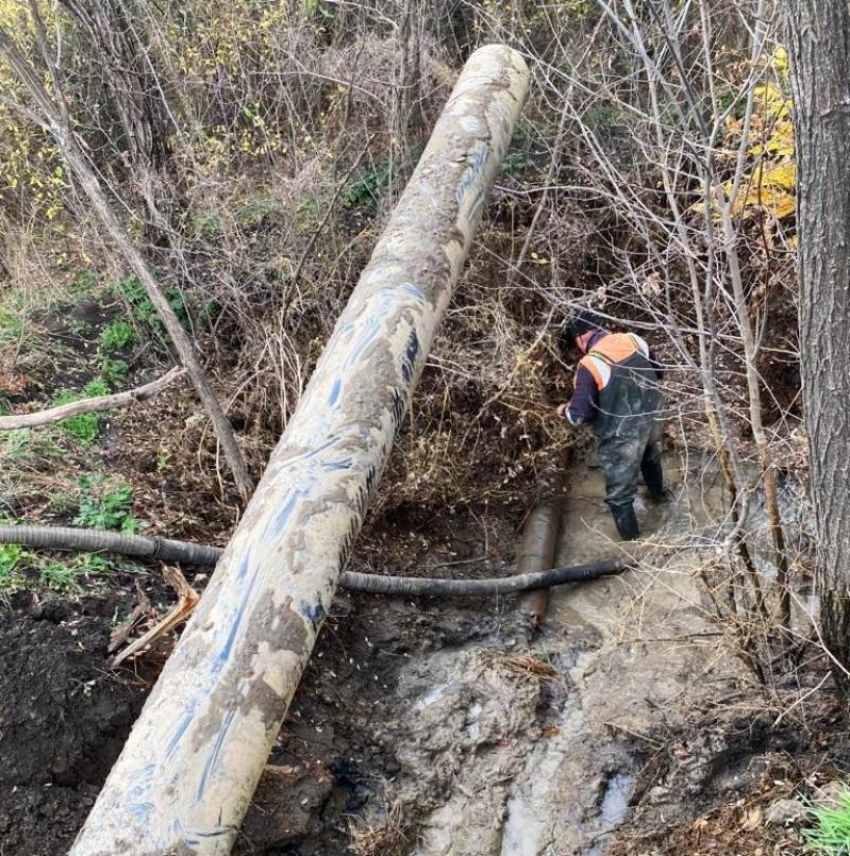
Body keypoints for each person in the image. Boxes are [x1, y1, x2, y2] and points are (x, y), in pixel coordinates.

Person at [555, 310, 668, 540]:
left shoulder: (590, 364)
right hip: (653, 420)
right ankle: (660, 498)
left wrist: (564, 410)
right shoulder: (634, 340)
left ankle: (633, 547)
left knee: (619, 496)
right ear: (599, 327)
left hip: (622, 437)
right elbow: (659, 372)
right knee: (649, 455)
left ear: (581, 338)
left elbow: (579, 416)